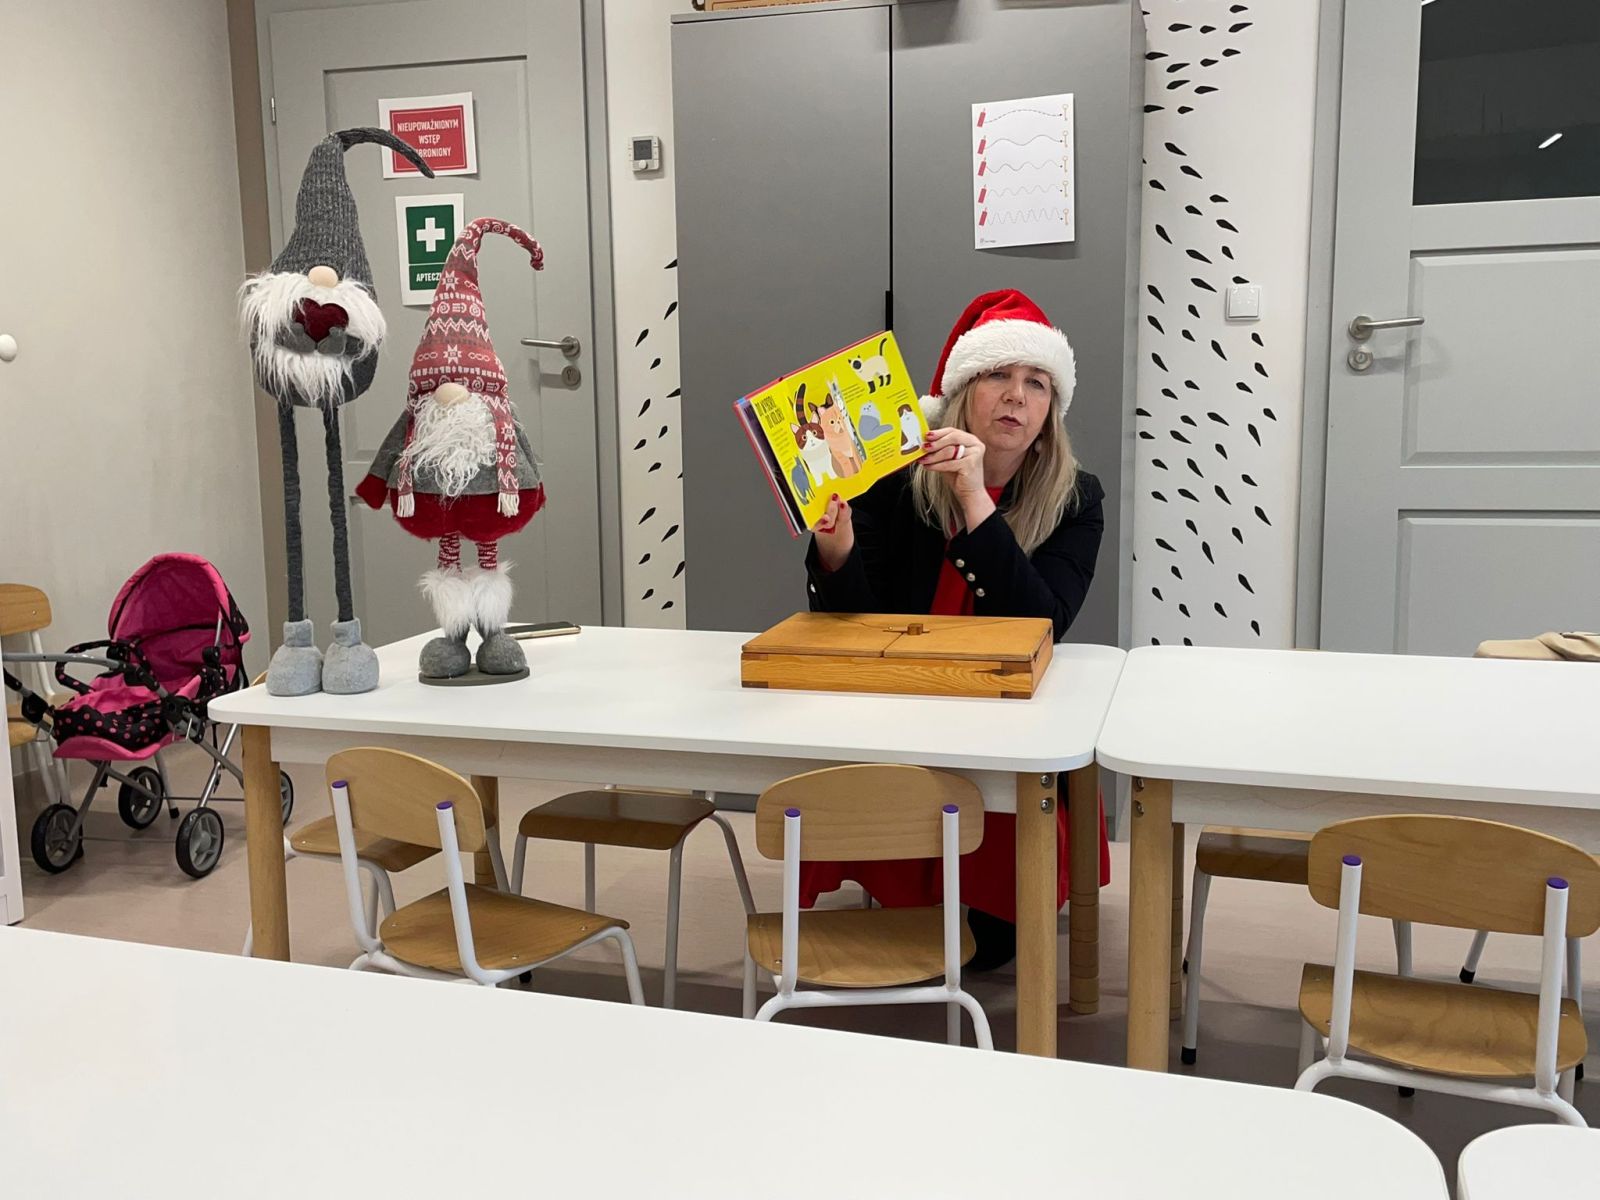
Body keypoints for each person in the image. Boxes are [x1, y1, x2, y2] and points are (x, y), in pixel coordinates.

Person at [804, 289, 1108, 970]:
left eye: (1036, 383)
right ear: (963, 393)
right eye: (998, 375)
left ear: (1050, 410)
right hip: (905, 698)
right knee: (909, 925)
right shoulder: (893, 478)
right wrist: (837, 544)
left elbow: (1043, 622)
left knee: (993, 943)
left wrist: (974, 497)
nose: (1017, 396)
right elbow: (852, 621)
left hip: (1006, 714)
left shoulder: (1076, 497)